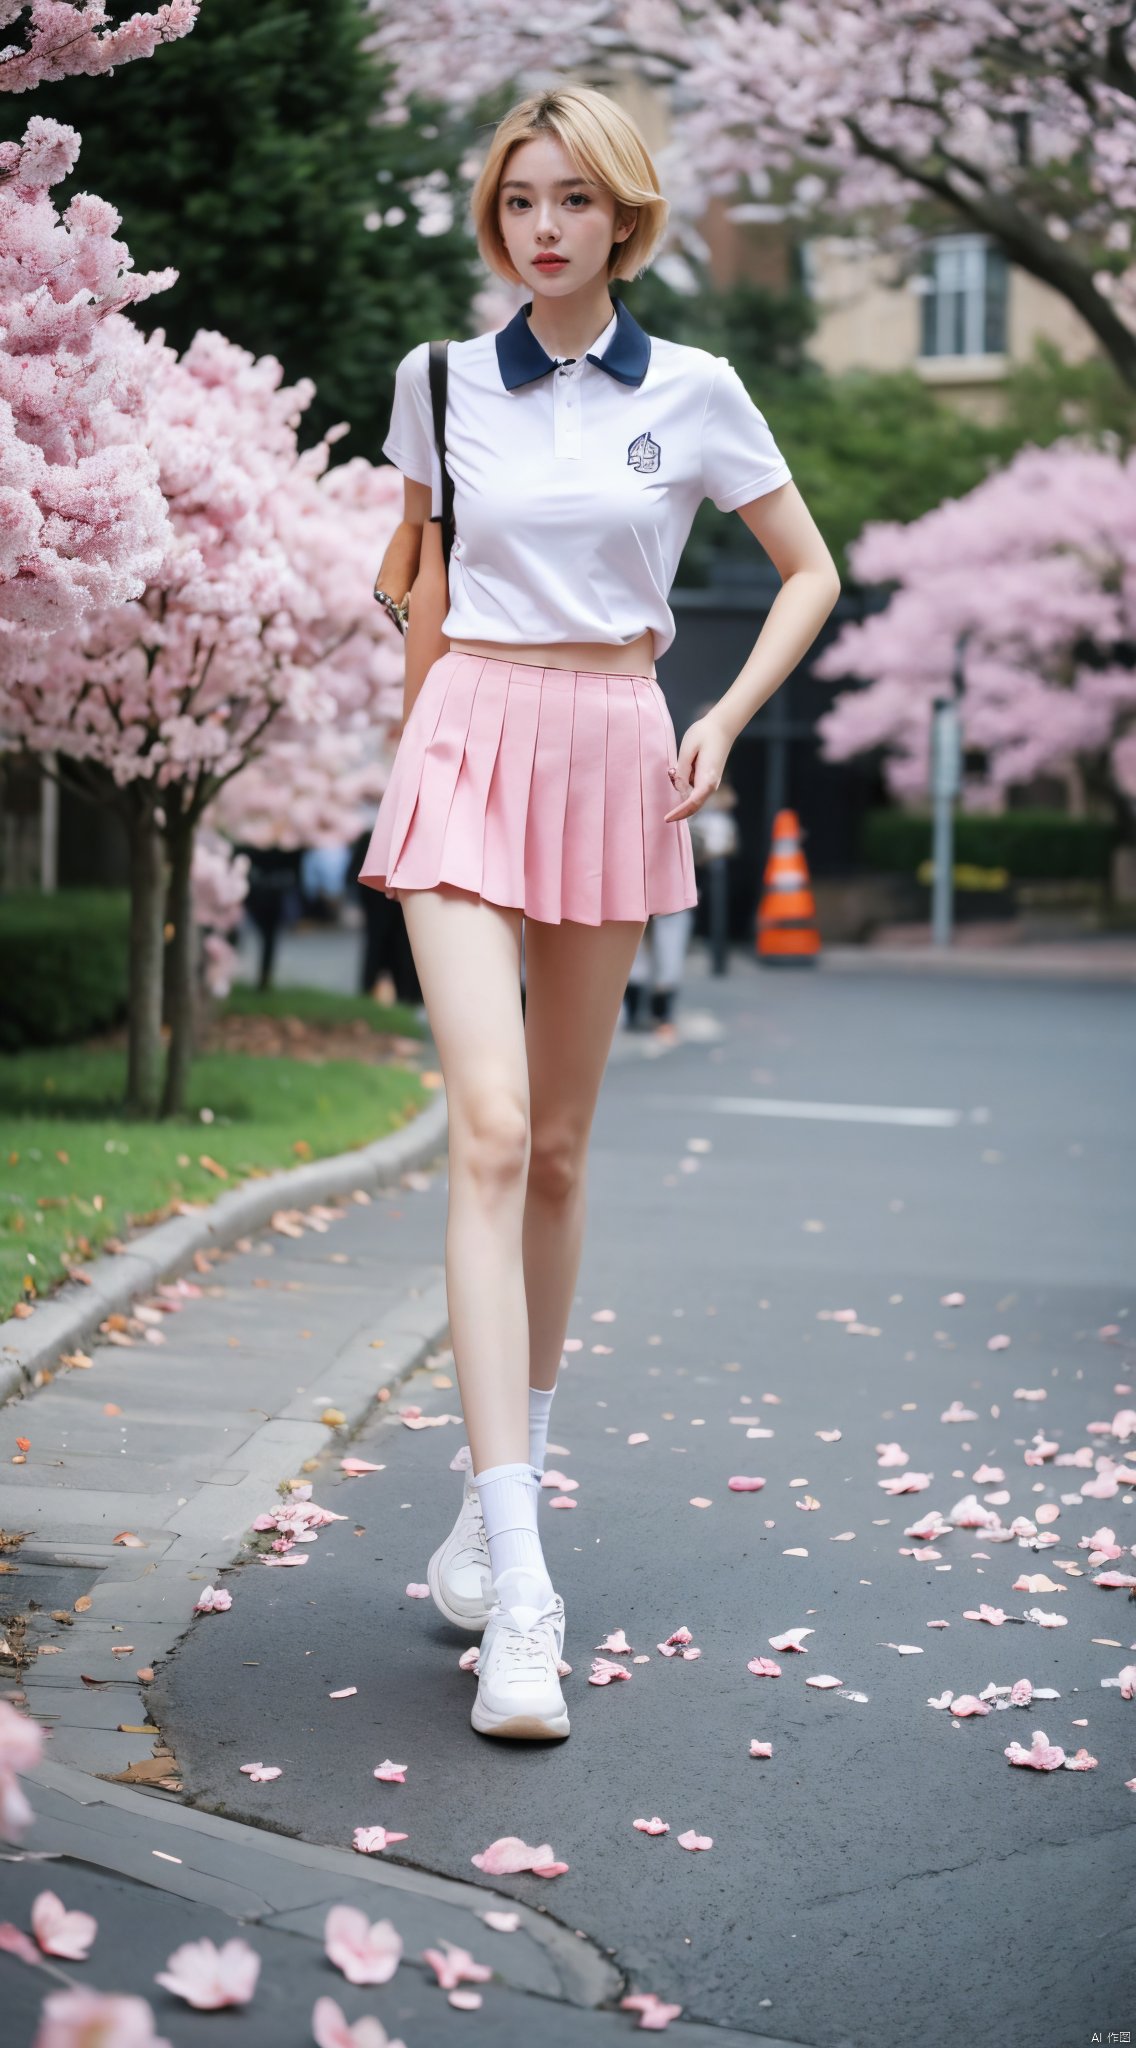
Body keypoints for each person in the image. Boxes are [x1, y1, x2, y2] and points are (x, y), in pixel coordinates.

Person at [357, 85, 841, 1744]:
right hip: (468, 746)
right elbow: (417, 598)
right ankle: (522, 1582)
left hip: (619, 747)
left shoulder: (697, 393)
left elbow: (810, 569)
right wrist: (406, 769)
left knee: (559, 1146)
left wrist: (716, 718)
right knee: (486, 1129)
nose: (541, 226)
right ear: (493, 218)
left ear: (622, 219)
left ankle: (497, 1497)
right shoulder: (435, 386)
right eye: (517, 200)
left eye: (573, 200)